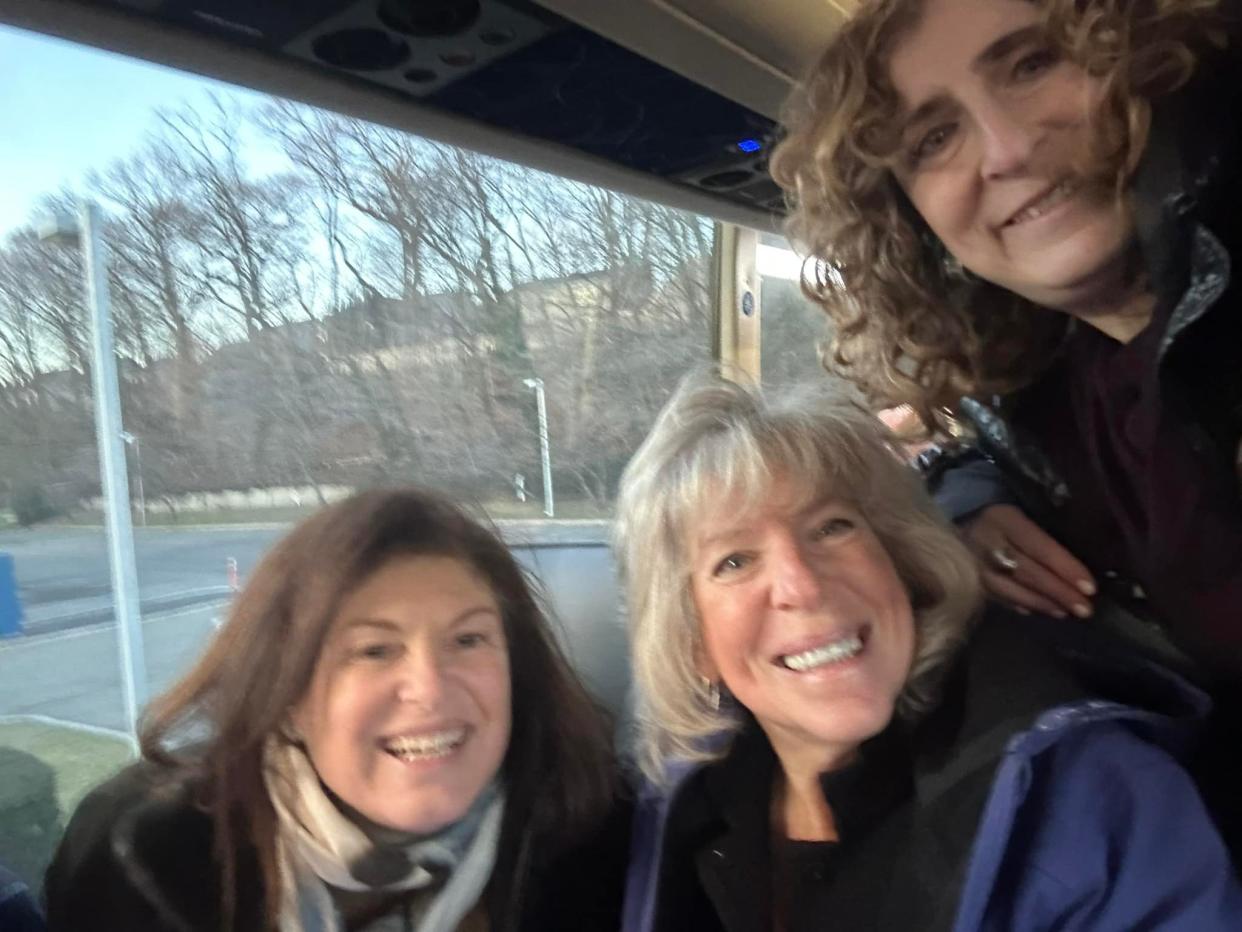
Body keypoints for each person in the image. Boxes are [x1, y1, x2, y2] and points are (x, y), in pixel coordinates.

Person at [615, 373, 1242, 932]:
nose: (802, 585)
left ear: (904, 565)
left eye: (832, 527)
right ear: (694, 643)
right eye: (734, 560)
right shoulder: (677, 805)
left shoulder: (1100, 797)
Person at [769, 0, 1242, 676]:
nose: (1008, 148)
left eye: (1032, 64)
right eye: (933, 138)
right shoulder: (1041, 398)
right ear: (914, 226)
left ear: (1136, 60)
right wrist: (966, 503)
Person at [44, 488, 627, 932]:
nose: (429, 688)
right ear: (289, 697)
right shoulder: (144, 858)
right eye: (374, 650)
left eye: (468, 641)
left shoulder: (591, 837)